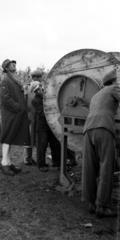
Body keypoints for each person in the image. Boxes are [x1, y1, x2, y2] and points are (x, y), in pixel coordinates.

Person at [81, 69, 120, 217]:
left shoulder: (96, 95)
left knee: (89, 166)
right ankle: (102, 206)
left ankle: (91, 203)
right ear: (114, 81)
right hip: (103, 128)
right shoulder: (114, 88)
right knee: (106, 165)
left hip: (88, 129)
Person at [30, 81, 76, 172]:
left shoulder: (48, 96)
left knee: (55, 144)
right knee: (42, 145)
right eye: (37, 90)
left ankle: (57, 163)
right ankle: (41, 165)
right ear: (35, 91)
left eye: (39, 87)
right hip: (42, 126)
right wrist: (52, 111)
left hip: (52, 125)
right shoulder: (35, 100)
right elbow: (42, 114)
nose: (39, 90)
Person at [0, 59, 30, 176]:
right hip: (10, 114)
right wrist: (18, 107)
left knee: (10, 138)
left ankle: (8, 162)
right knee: (7, 137)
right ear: (6, 68)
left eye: (14, 63)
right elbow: (5, 99)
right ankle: (4, 163)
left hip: (15, 114)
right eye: (11, 64)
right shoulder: (6, 81)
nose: (14, 64)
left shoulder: (13, 79)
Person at [23, 70, 43, 165]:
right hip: (30, 115)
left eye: (39, 77)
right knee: (29, 137)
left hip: (39, 115)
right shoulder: (27, 87)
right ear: (34, 77)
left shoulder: (42, 87)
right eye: (38, 77)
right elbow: (24, 101)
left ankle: (32, 158)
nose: (39, 79)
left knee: (37, 137)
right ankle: (27, 158)